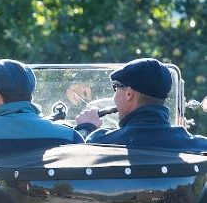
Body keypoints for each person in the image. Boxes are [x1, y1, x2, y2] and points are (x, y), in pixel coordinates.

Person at [75, 58, 207, 152]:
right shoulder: (200, 147)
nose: (114, 95)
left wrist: (85, 128)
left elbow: (75, 154)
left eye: (115, 87)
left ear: (129, 94)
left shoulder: (99, 142)